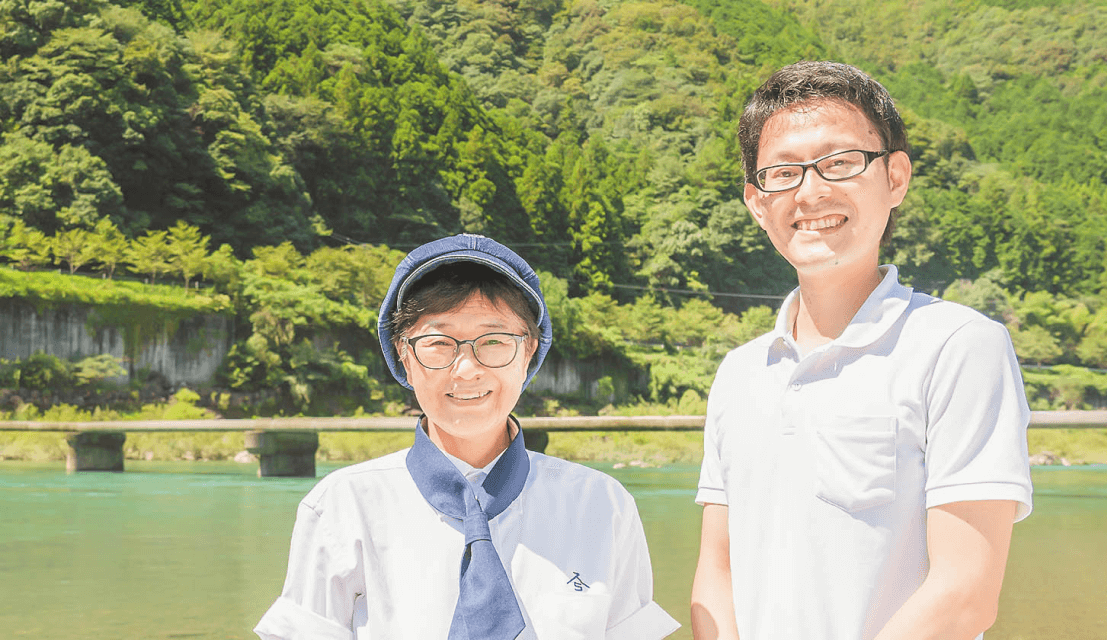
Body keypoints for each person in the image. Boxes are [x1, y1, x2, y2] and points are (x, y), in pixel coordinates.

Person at [690, 60, 1034, 640]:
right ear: (756, 201)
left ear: (895, 177)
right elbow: (716, 572)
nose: (811, 191)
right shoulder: (740, 372)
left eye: (841, 162)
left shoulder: (958, 345)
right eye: (783, 173)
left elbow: (965, 594)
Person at [255, 234, 679, 639]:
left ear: (529, 349)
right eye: (439, 342)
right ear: (404, 353)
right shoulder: (343, 507)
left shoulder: (602, 506)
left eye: (494, 340)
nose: (467, 368)